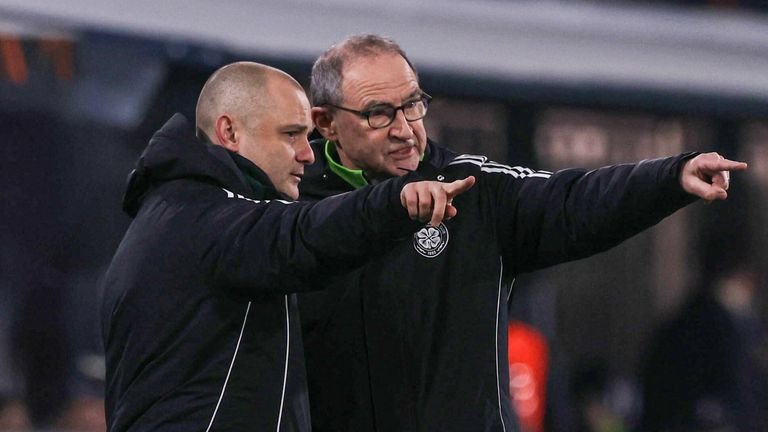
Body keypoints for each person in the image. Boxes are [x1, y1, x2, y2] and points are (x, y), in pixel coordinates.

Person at [297, 34, 748, 432]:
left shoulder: (475, 191)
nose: (405, 130)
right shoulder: (285, 207)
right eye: (379, 113)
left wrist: (668, 178)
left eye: (413, 105)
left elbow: (573, 202)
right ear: (326, 123)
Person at [100, 61, 474, 432]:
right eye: (291, 135)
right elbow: (303, 233)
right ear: (229, 131)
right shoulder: (204, 217)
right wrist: (393, 202)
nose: (308, 153)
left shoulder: (178, 210)